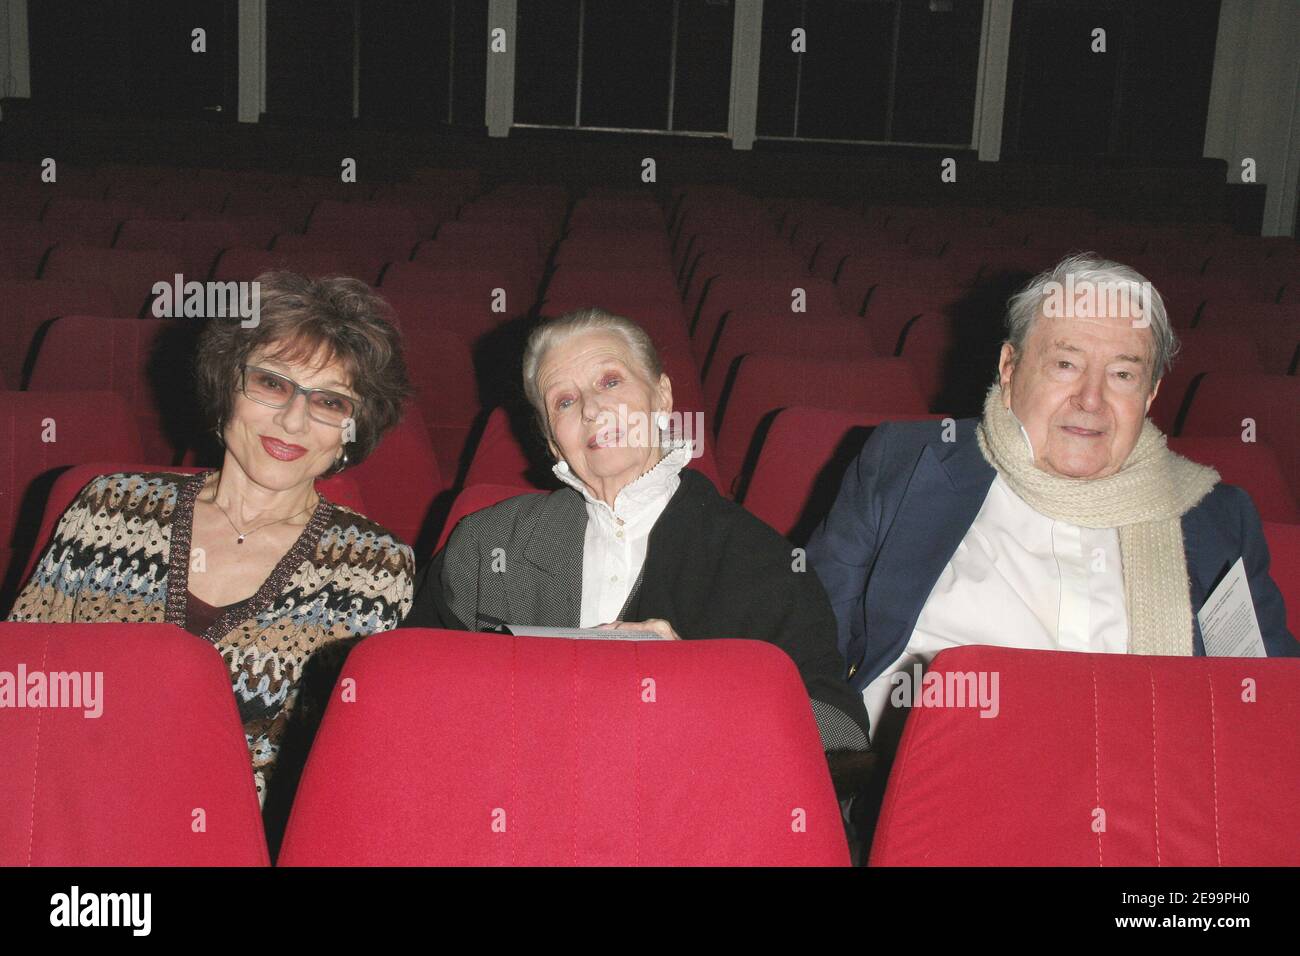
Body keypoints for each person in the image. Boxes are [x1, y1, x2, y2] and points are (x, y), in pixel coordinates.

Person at [806, 253, 1298, 754]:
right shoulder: (907, 466)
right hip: (929, 791)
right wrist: (840, 768)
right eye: (1066, 364)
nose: (1090, 398)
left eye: (1123, 375)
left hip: (1134, 807)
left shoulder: (1213, 518)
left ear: (1150, 396)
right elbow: (808, 646)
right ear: (1009, 368)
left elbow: (1271, 708)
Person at [9, 271, 417, 809]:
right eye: (271, 383)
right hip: (65, 811)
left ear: (352, 430)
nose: (293, 421)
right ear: (227, 387)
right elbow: (19, 687)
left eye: (330, 403)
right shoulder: (108, 507)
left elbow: (338, 776)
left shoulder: (377, 568)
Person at [404, 307, 871, 756]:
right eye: (564, 401)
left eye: (610, 381)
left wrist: (695, 685)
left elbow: (841, 735)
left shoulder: (763, 563)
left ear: (662, 397)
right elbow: (409, 687)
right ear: (552, 440)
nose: (591, 408)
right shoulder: (488, 545)